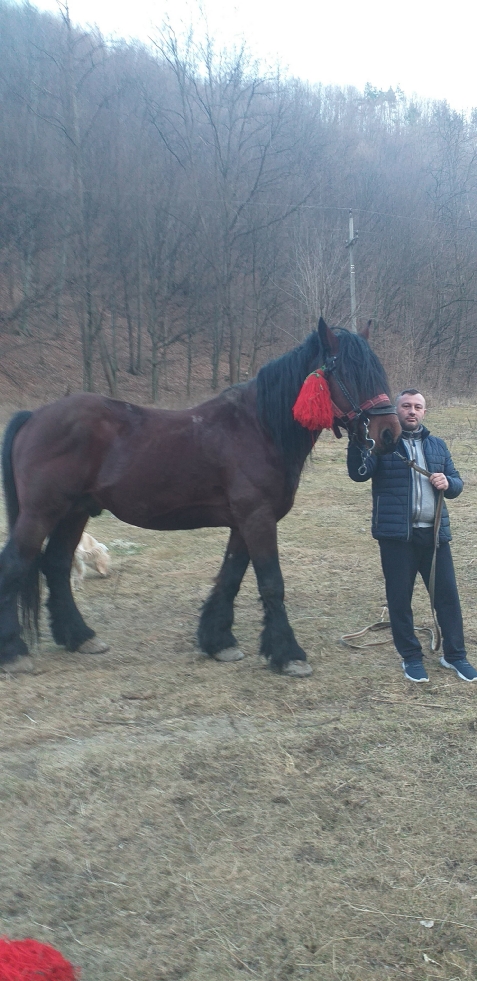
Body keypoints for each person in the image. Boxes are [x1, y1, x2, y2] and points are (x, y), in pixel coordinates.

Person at [347, 388, 477, 683]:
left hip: (434, 537)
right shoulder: (383, 444)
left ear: (424, 412)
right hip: (396, 538)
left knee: (447, 598)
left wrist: (449, 482)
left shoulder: (438, 446)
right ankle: (411, 657)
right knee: (399, 600)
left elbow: (456, 484)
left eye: (418, 407)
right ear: (397, 411)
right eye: (406, 406)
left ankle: (455, 656)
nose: (412, 411)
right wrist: (356, 442)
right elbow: (359, 473)